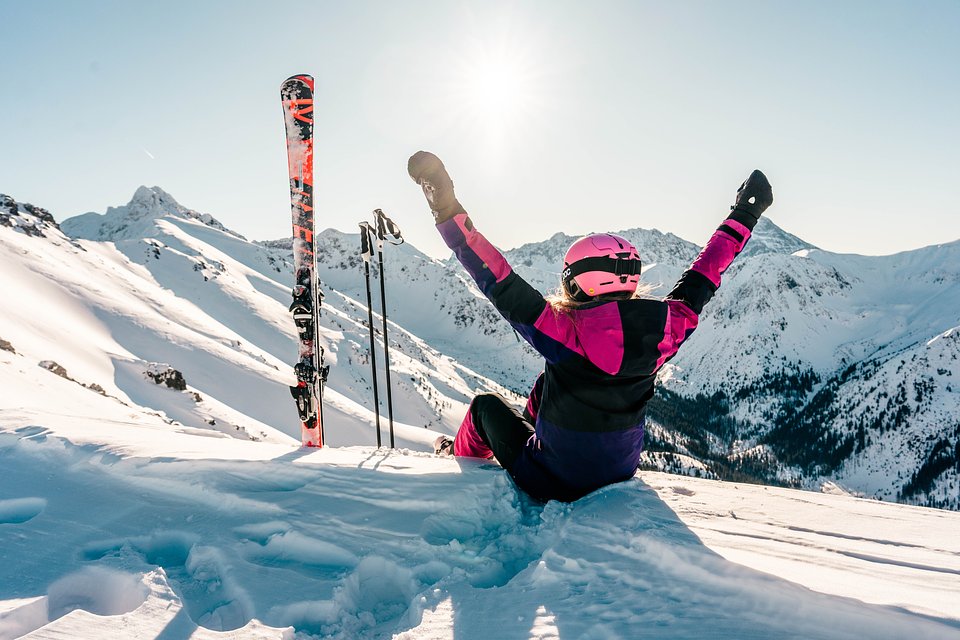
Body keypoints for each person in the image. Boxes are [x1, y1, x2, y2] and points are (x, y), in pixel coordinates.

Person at [408, 151, 773, 502]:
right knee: (552, 375)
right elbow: (705, 273)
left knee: (485, 406)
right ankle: (529, 429)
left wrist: (446, 210)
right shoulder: (667, 326)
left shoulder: (564, 331)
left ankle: (460, 457)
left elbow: (496, 277)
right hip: (619, 473)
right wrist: (745, 213)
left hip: (551, 479)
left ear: (577, 281)